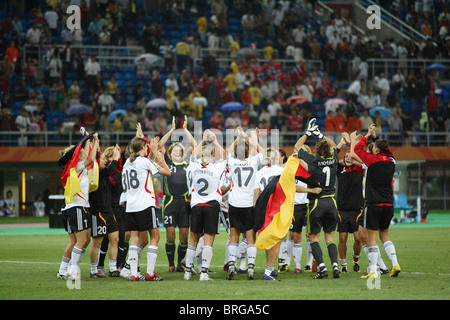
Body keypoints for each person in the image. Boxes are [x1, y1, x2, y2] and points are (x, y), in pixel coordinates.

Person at [294, 118, 341, 279]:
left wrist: (308, 133)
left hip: (316, 202)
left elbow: (297, 147)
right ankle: (335, 266)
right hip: (331, 201)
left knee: (313, 237)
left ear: (316, 151)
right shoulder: (334, 158)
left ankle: (322, 268)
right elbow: (334, 145)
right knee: (330, 237)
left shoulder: (313, 161)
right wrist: (320, 135)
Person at [351, 128, 401, 279]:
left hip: (373, 204)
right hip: (388, 204)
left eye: (374, 147)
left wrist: (365, 136)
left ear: (377, 150)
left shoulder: (371, 161)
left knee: (371, 239)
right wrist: (375, 137)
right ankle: (395, 263)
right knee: (384, 236)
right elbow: (386, 150)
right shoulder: (392, 161)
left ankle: (373, 270)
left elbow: (357, 149)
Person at [121, 135, 171, 281]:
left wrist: (153, 153)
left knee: (135, 240)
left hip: (131, 206)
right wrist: (160, 157)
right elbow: (167, 172)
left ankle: (134, 275)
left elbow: (146, 163)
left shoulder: (127, 163)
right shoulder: (144, 161)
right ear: (142, 147)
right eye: (146, 145)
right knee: (155, 237)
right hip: (145, 205)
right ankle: (150, 273)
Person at [183, 129, 226, 281]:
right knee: (208, 241)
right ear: (212, 155)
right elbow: (224, 156)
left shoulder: (194, 166)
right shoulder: (216, 167)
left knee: (193, 240)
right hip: (211, 205)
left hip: (196, 205)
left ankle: (187, 272)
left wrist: (202, 141)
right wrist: (215, 141)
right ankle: (204, 273)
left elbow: (193, 155)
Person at [57, 132, 99, 280]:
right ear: (77, 157)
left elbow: (88, 154)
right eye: (81, 153)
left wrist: (88, 139)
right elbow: (91, 158)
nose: (84, 154)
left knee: (81, 240)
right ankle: (72, 271)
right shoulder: (77, 166)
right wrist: (93, 139)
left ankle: (63, 270)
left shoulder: (76, 166)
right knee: (81, 241)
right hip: (76, 207)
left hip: (75, 207)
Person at [277, 145, 322, 275]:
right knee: (294, 235)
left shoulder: (311, 166)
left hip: (309, 203)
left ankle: (309, 263)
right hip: (295, 205)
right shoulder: (291, 164)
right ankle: (294, 265)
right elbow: (281, 172)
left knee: (310, 235)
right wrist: (293, 159)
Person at [158, 116, 195, 272]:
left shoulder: (188, 163)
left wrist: (185, 130)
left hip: (185, 203)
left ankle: (180, 263)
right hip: (170, 202)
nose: (178, 153)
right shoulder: (167, 163)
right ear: (171, 152)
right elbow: (160, 144)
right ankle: (171, 264)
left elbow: (194, 145)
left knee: (184, 236)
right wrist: (172, 130)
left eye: (180, 151)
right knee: (171, 234)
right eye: (175, 151)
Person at [226, 127, 262, 280]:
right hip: (249, 204)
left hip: (234, 202)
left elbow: (228, 151)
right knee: (250, 237)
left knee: (234, 236)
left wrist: (237, 137)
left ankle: (232, 265)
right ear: (248, 152)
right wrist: (250, 138)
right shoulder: (253, 161)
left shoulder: (232, 162)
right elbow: (262, 151)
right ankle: (251, 269)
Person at [87, 141, 122, 278]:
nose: (105, 161)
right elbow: (110, 168)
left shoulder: (105, 174)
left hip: (108, 212)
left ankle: (113, 268)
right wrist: (116, 157)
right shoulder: (95, 174)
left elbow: (112, 171)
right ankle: (93, 270)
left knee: (115, 239)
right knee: (97, 242)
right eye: (102, 159)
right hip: (98, 213)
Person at [336, 134, 364, 273]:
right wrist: (342, 143)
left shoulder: (360, 169)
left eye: (350, 157)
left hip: (357, 209)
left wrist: (352, 143)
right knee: (342, 237)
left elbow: (357, 155)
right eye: (346, 157)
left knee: (358, 238)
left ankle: (356, 259)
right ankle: (343, 264)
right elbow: (334, 156)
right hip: (342, 210)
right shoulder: (339, 170)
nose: (348, 158)